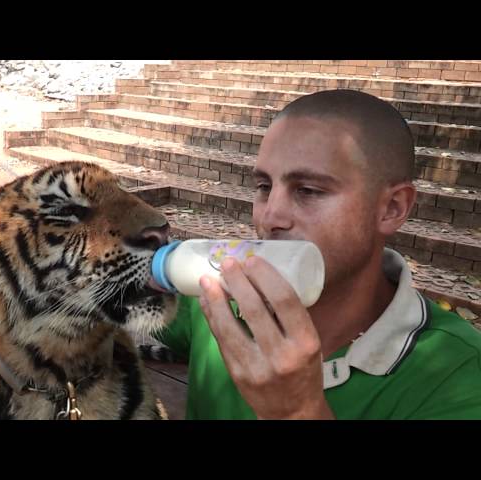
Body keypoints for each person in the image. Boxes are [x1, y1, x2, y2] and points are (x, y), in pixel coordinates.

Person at [154, 89, 481, 420]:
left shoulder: (459, 375)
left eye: (308, 190)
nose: (270, 217)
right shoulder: (217, 297)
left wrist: (298, 411)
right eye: (264, 187)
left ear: (391, 208)